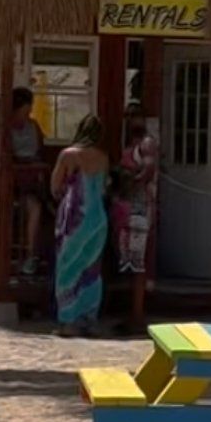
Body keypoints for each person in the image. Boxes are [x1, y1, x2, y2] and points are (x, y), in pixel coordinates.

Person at [51, 114, 110, 335]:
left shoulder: (68, 155)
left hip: (75, 216)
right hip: (98, 216)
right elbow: (103, 187)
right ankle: (89, 318)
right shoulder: (103, 157)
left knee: (68, 266)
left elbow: (55, 186)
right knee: (92, 268)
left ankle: (68, 321)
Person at [112, 103, 159, 276]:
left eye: (137, 116)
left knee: (140, 254)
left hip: (141, 202)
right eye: (130, 117)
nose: (133, 121)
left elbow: (147, 171)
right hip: (124, 204)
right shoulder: (126, 144)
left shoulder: (146, 144)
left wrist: (128, 179)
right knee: (124, 253)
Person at [9, 87, 46, 274]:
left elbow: (41, 149)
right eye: (25, 109)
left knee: (40, 207)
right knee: (33, 208)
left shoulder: (34, 127)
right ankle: (29, 255)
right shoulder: (5, 129)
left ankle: (35, 255)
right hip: (14, 183)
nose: (28, 113)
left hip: (34, 179)